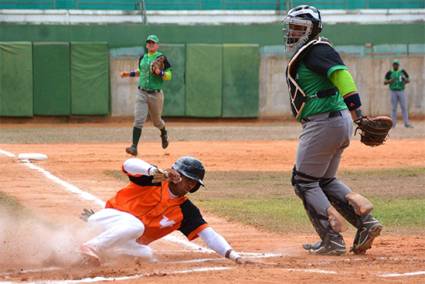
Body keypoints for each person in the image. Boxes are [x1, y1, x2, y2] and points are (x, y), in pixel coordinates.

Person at [282, 5, 383, 255]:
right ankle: (366, 224)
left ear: (312, 30)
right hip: (332, 122)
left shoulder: (317, 50)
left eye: (298, 28)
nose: (292, 32)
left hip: (323, 123)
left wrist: (358, 113)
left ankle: (332, 240)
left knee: (303, 182)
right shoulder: (312, 51)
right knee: (324, 181)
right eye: (291, 27)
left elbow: (342, 76)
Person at [79, 156, 244, 265]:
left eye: (194, 183)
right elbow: (128, 164)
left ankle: (87, 257)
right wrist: (157, 172)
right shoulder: (155, 180)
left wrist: (234, 256)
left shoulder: (186, 210)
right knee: (136, 226)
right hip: (107, 220)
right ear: (177, 174)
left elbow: (210, 236)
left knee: (146, 255)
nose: (191, 185)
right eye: (188, 179)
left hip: (122, 237)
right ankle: (90, 246)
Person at [120, 34, 172, 156]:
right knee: (138, 120)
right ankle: (134, 147)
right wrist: (128, 74)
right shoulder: (142, 57)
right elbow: (141, 72)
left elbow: (169, 75)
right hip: (142, 93)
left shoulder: (161, 58)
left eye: (153, 42)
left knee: (156, 121)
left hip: (156, 95)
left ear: (157, 45)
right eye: (148, 42)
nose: (150, 44)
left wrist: (161, 72)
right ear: (146, 44)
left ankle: (163, 132)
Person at [384, 60, 412, 128]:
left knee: (404, 107)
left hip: (401, 91)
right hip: (393, 91)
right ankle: (393, 124)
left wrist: (404, 79)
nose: (395, 66)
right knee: (394, 108)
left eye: (396, 64)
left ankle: (406, 123)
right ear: (392, 65)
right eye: (394, 64)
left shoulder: (402, 72)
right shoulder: (390, 72)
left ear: (398, 65)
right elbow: (384, 82)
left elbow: (408, 80)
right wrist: (390, 81)